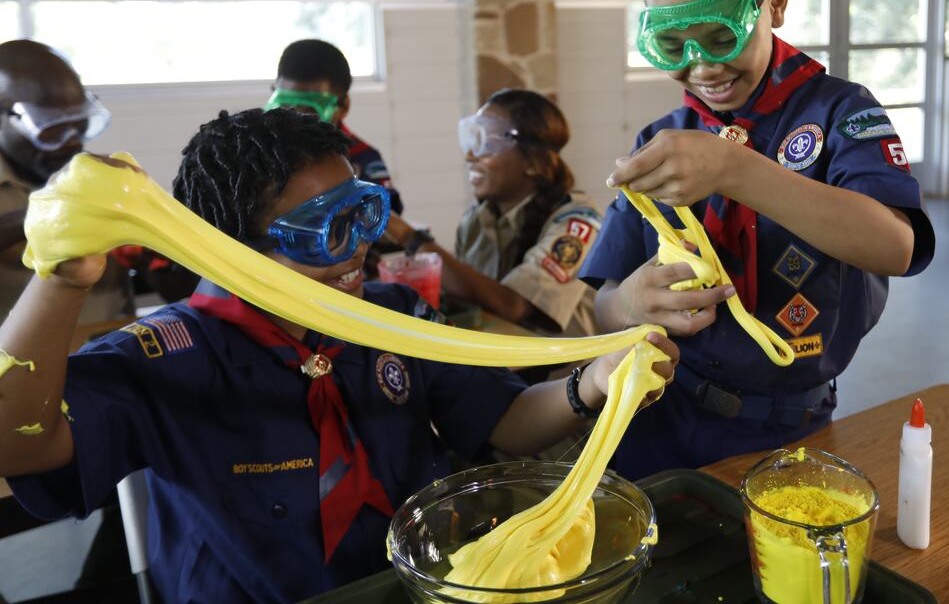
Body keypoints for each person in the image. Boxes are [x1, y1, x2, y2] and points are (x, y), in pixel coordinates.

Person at [0, 107, 677, 603]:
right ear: (229, 249)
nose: (358, 248)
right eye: (323, 234)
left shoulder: (391, 318)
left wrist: (591, 385)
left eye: (363, 215)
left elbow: (503, 422)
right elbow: (19, 447)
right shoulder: (167, 356)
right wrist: (60, 280)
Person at [581, 0, 936, 478]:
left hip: (792, 426)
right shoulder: (664, 141)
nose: (702, 68)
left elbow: (895, 247)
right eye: (673, 46)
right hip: (661, 417)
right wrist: (630, 303)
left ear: (774, 1)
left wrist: (734, 169)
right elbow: (602, 304)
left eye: (722, 37)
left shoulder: (839, 113)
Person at [391, 89, 603, 336]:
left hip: (567, 372)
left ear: (533, 163)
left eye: (488, 142)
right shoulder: (476, 222)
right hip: (501, 367)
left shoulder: (577, 221)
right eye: (472, 139)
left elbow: (513, 306)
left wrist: (409, 236)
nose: (470, 155)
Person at [0, 39, 129, 321]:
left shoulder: (97, 179)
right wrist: (50, 212)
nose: (72, 141)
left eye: (79, 122)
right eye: (51, 127)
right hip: (20, 362)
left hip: (115, 350)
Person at [265, 38, 406, 234]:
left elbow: (386, 225)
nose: (295, 121)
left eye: (308, 112)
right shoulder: (260, 155)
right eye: (285, 107)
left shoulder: (363, 159)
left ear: (343, 107)